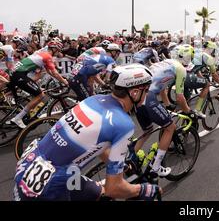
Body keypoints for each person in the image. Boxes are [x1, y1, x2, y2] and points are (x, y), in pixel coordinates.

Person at [13, 64, 161, 201]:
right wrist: (144, 190)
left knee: (96, 192)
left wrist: (118, 164)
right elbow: (114, 189)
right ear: (135, 92)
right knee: (111, 190)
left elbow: (98, 145)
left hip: (28, 165)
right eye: (146, 91)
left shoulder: (93, 99)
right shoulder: (123, 123)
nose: (147, 95)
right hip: (51, 186)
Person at [134, 57, 192, 177]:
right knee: (170, 127)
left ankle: (131, 160)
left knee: (148, 130)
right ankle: (156, 166)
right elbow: (179, 97)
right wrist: (188, 112)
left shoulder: (167, 64)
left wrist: (167, 105)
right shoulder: (181, 69)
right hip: (147, 96)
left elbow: (162, 88)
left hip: (136, 97)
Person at [8, 41, 69, 128]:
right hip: (18, 75)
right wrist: (65, 82)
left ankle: (25, 110)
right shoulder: (47, 56)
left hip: (15, 73)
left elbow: (49, 71)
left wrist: (58, 79)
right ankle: (18, 118)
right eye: (58, 50)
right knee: (41, 95)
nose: (58, 52)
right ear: (54, 49)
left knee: (36, 89)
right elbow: (54, 73)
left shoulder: (42, 54)